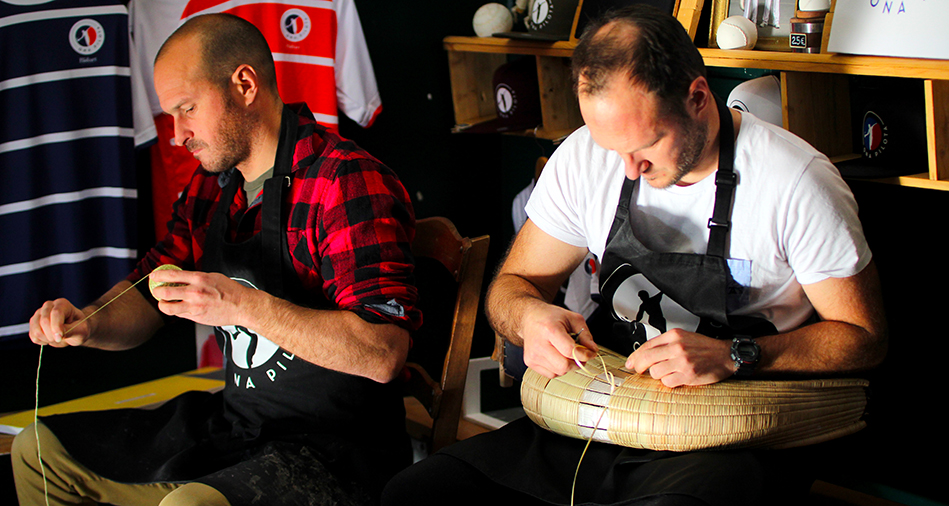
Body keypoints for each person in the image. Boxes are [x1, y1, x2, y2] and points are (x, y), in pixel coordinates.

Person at [382, 5, 886, 506]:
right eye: (611, 147)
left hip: (733, 431)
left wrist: (736, 355)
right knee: (421, 492)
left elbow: (864, 339)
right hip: (608, 409)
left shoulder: (795, 183)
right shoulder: (585, 156)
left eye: (646, 144)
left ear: (696, 97)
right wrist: (529, 317)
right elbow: (513, 286)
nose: (627, 168)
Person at [13, 13, 419, 506]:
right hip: (238, 429)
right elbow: (147, 292)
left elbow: (381, 354)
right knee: (37, 448)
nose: (177, 134)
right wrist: (89, 324)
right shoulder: (212, 185)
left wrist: (240, 305)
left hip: (336, 453)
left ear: (244, 84)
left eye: (187, 109)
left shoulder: (345, 181)